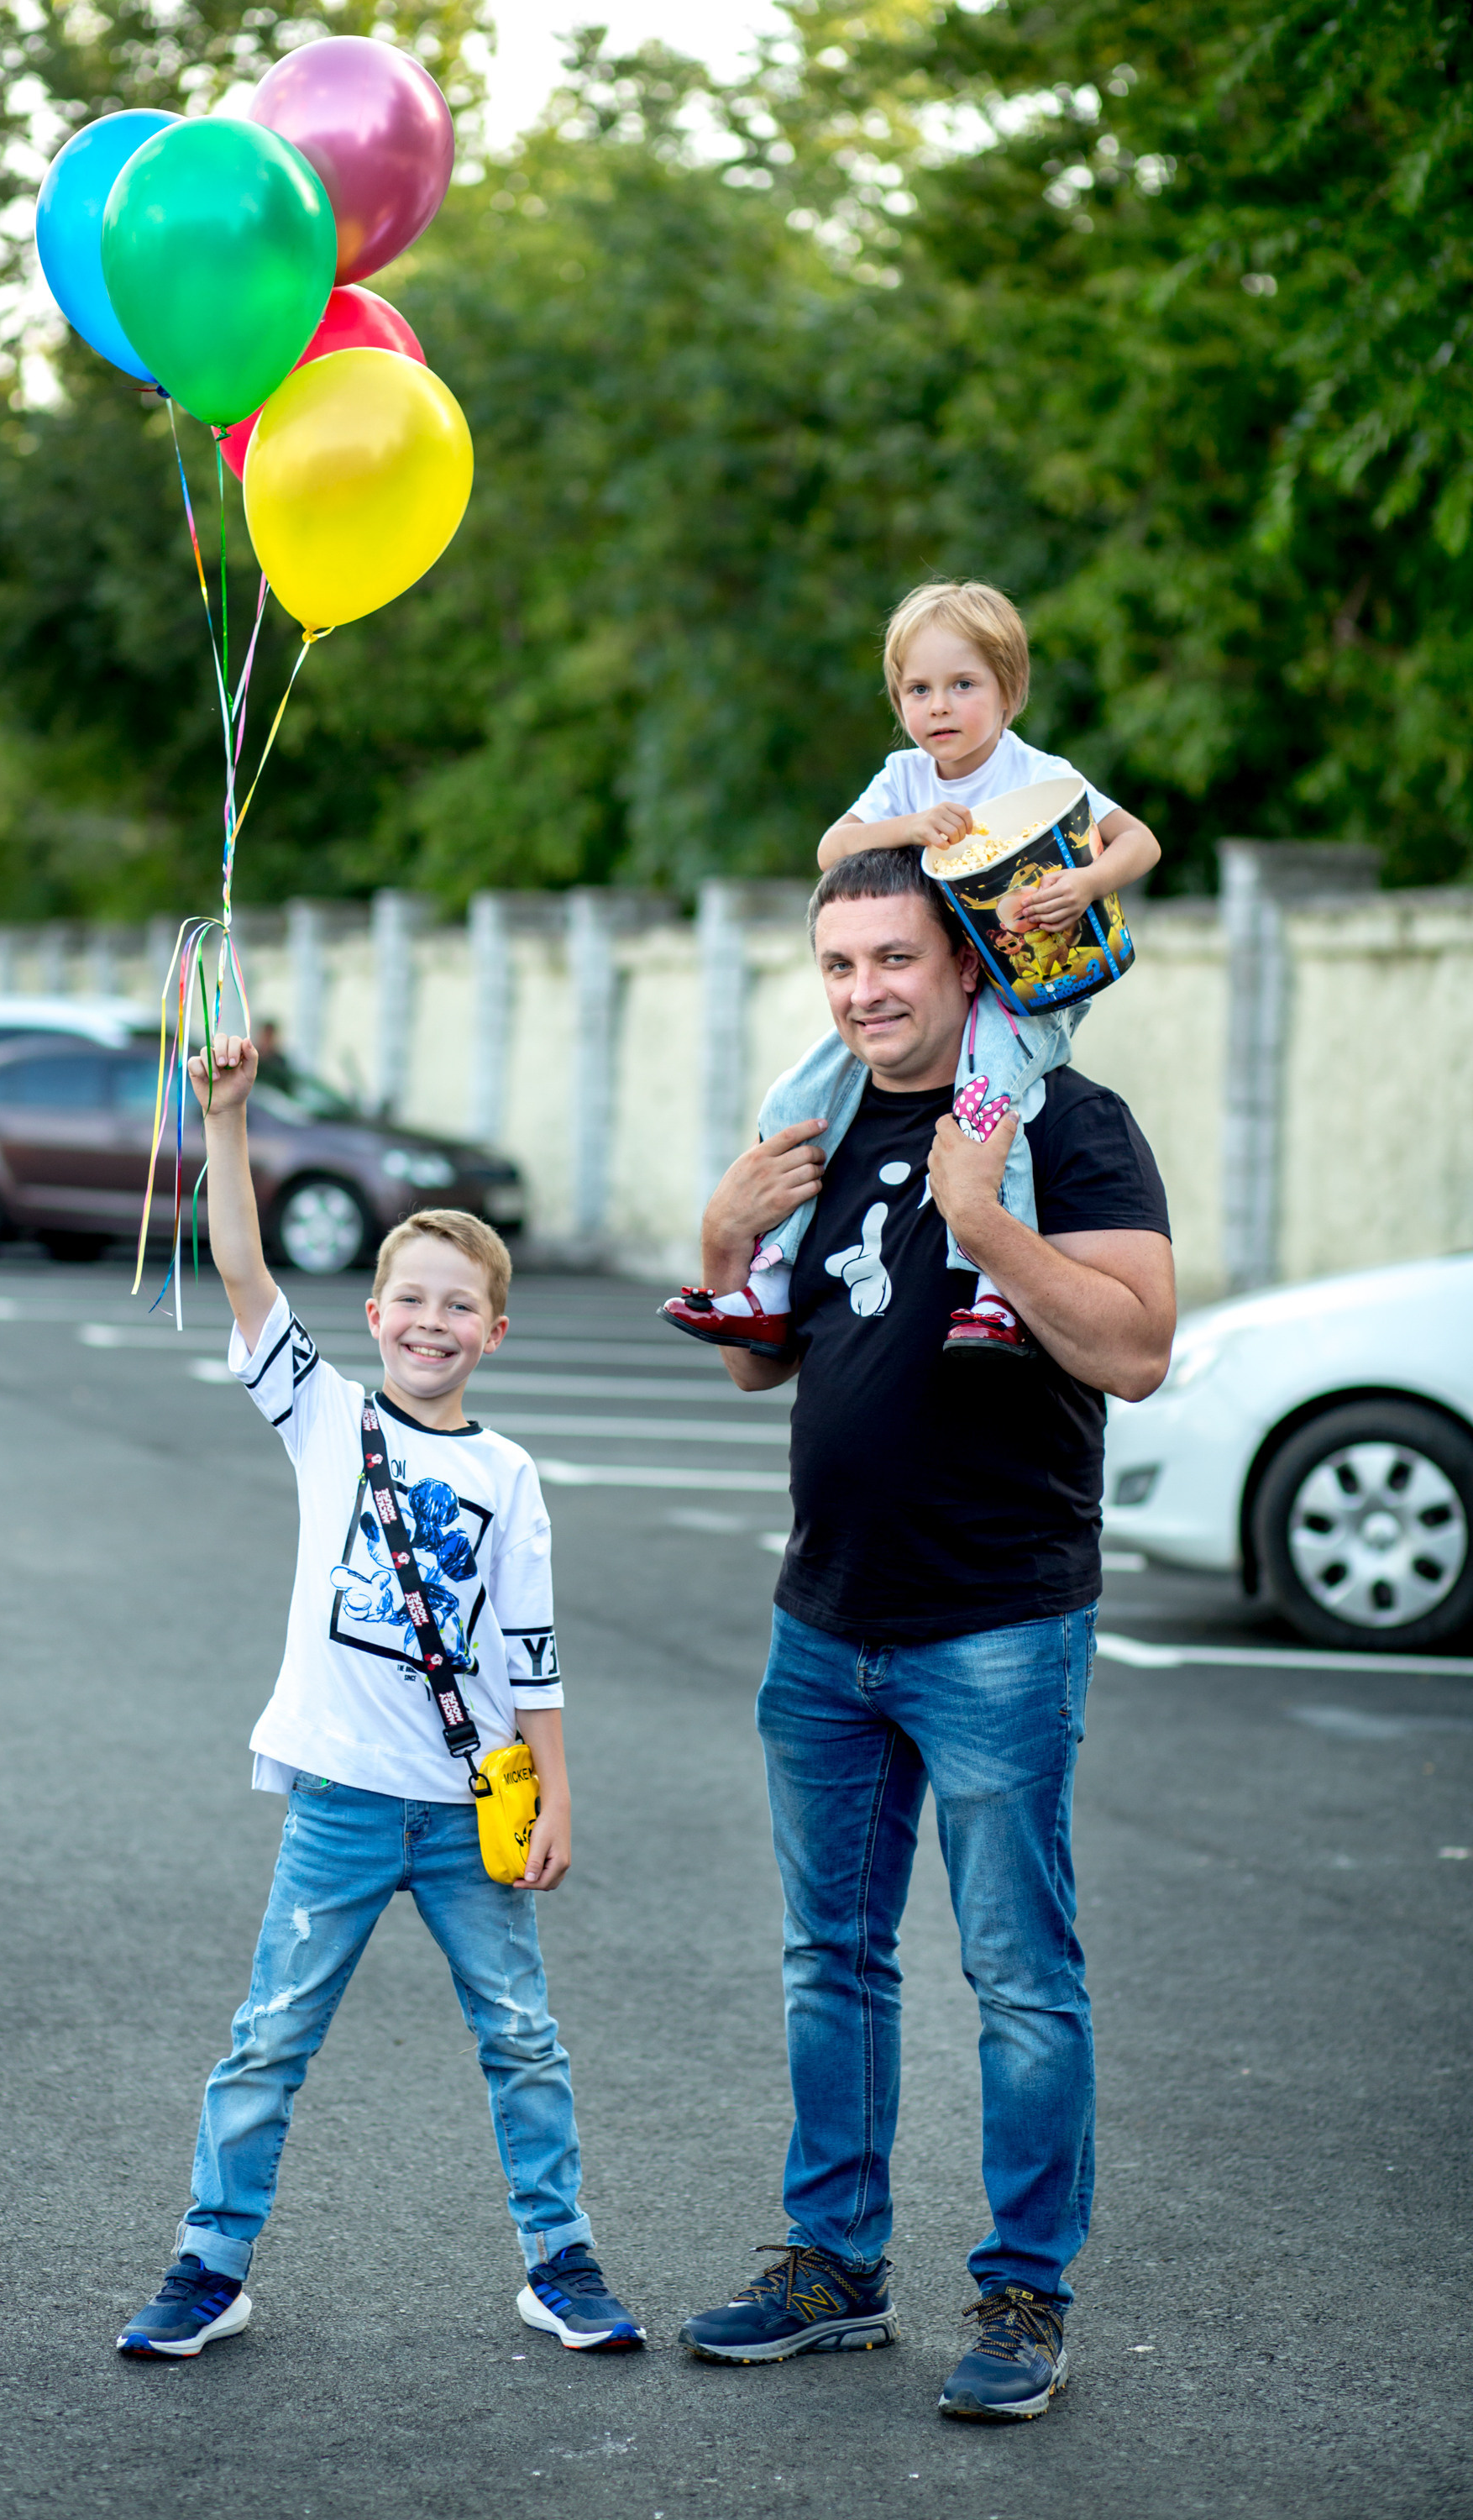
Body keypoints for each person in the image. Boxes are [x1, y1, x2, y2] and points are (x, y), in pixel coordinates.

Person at [676, 848, 1176, 2419]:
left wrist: (986, 1221)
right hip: (824, 1623)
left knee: (1021, 1975)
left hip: (999, 1625)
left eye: (893, 959)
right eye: (839, 967)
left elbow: (1137, 1348)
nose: (865, 992)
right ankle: (835, 2270)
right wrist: (719, 1239)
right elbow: (766, 1364)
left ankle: (1026, 2294)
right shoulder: (817, 1123)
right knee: (833, 1958)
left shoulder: (1069, 1127)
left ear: (965, 964)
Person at [117, 1032, 643, 2360]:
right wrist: (226, 1122)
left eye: (458, 1306)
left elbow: (532, 1646)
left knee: (523, 2040)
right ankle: (209, 2262)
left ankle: (560, 2259)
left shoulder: (511, 1474)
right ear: (374, 1314)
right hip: (345, 1800)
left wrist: (558, 1795)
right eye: (409, 1298)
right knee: (269, 2039)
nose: (429, 1322)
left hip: (473, 1805)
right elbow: (243, 1269)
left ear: (496, 1331)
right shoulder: (328, 1423)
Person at [663, 580, 1160, 1360]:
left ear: (1009, 690)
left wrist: (1087, 882)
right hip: (941, 985)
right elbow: (833, 851)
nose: (939, 707)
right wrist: (905, 826)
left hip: (1027, 989)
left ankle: (994, 1291)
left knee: (994, 1112)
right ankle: (769, 1278)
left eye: (963, 685)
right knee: (798, 1094)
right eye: (918, 690)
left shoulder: (1036, 773)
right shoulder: (904, 779)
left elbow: (1141, 842)